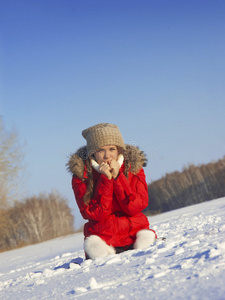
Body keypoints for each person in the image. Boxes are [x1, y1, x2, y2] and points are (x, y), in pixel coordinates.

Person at [67, 123, 157, 259]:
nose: (107, 156)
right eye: (100, 150)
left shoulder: (134, 168)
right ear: (93, 153)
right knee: (96, 249)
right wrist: (106, 180)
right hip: (104, 241)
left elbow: (136, 206)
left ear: (119, 150)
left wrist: (118, 177)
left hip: (136, 235)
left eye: (112, 149)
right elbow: (93, 213)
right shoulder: (81, 176)